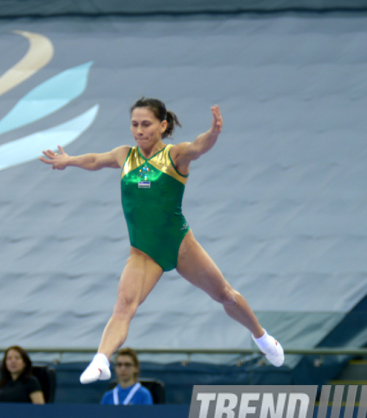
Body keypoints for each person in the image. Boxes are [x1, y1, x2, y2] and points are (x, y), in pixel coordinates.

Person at [40, 98, 284, 384]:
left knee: (224, 295)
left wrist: (213, 134)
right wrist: (69, 160)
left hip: (180, 244)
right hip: (143, 252)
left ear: (162, 125)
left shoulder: (175, 155)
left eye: (146, 124)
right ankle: (101, 359)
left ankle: (263, 338)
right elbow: (95, 160)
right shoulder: (125, 155)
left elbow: (199, 146)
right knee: (123, 307)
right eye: (134, 124)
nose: (139, 131)